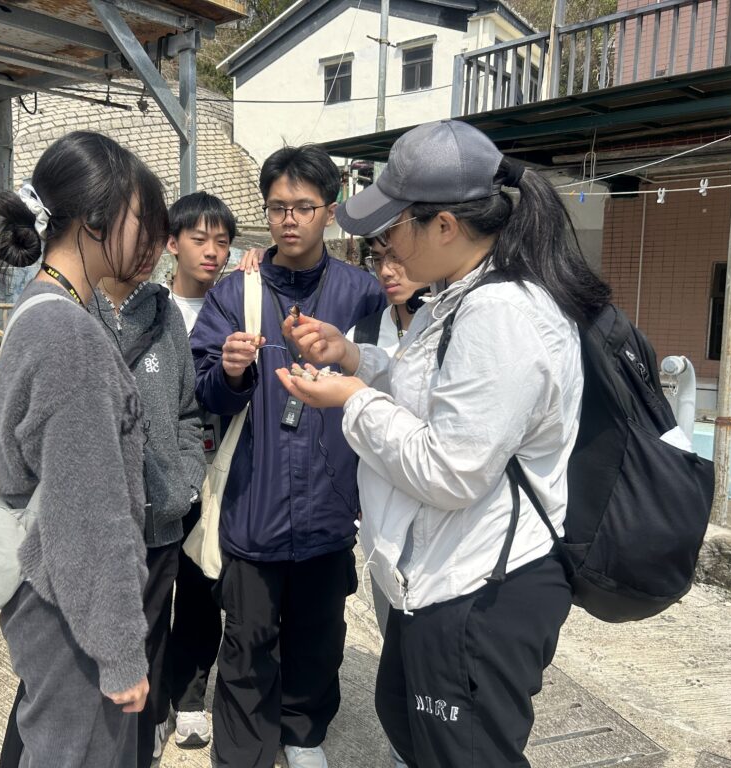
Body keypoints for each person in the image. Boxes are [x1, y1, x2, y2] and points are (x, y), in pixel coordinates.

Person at [277, 119, 611, 768]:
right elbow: (431, 395)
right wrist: (354, 358)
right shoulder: (459, 298)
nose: (385, 249)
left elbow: (452, 469)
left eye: (393, 229)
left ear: (445, 226)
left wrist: (352, 398)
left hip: (480, 588)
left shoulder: (500, 315)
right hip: (443, 575)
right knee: (410, 728)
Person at [190, 144, 386, 768]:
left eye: (303, 206)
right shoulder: (234, 294)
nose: (289, 220)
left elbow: (390, 381)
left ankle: (304, 736)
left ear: (330, 209)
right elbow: (203, 391)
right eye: (277, 208)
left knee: (319, 636)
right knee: (247, 642)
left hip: (331, 505)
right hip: (254, 503)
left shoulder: (362, 294)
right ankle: (243, 753)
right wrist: (230, 373)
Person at [0, 130, 169, 768]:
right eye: (142, 220)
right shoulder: (69, 337)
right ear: (96, 221)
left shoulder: (42, 307)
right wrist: (121, 655)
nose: (153, 241)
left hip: (52, 597)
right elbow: (90, 515)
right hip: (71, 612)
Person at [91, 220, 207, 767]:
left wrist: (185, 483)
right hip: (93, 527)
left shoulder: (166, 315)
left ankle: (143, 744)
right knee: (92, 647)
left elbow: (187, 412)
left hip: (160, 518)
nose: (146, 252)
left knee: (152, 638)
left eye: (153, 240)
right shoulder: (72, 310)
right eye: (134, 235)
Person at [347, 236, 429, 768]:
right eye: (380, 259)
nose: (388, 270)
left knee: (433, 662)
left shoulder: (461, 326)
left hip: (439, 527)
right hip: (381, 525)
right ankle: (404, 752)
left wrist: (354, 395)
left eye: (400, 257)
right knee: (394, 645)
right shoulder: (365, 328)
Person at [164, 192, 237, 750]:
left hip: (214, 471)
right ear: (172, 243)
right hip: (157, 471)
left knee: (200, 586)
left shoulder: (234, 306)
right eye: (199, 239)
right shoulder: (152, 308)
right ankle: (147, 699)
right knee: (147, 589)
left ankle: (189, 697)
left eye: (223, 242)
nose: (212, 252)